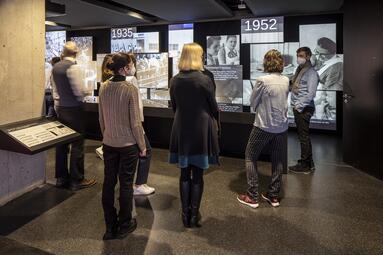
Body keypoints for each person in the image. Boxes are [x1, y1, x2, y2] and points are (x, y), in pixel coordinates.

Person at [169, 43, 220, 228]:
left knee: (184, 173)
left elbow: (174, 106)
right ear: (198, 57)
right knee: (197, 175)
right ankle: (193, 215)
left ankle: (184, 215)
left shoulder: (174, 80)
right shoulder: (204, 79)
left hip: (181, 127)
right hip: (201, 128)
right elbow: (213, 107)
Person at [98, 53, 146, 240]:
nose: (133, 67)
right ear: (125, 68)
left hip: (109, 143)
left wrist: (106, 136)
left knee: (109, 183)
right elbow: (135, 123)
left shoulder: (103, 87)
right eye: (131, 64)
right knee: (126, 185)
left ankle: (110, 227)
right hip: (128, 145)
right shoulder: (129, 89)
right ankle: (124, 224)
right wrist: (142, 145)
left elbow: (101, 118)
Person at [237, 49, 289, 208]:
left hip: (263, 125)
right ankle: (273, 196)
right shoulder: (286, 80)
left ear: (266, 62)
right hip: (281, 127)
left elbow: (253, 102)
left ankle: (252, 196)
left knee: (250, 156)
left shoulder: (262, 80)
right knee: (277, 159)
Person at [51, 41, 96, 190]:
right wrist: (88, 91)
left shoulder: (56, 67)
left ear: (63, 52)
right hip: (75, 110)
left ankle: (61, 178)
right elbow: (79, 91)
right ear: (75, 53)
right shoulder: (74, 67)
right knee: (77, 144)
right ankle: (77, 179)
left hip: (61, 109)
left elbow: (56, 90)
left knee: (62, 145)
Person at [126, 52, 156, 196]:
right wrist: (139, 123)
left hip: (123, 126)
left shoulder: (110, 82)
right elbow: (136, 105)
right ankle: (139, 184)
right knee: (146, 150)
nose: (133, 67)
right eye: (132, 64)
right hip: (135, 123)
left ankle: (129, 184)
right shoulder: (131, 80)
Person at [289, 47, 319, 174]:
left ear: (308, 56)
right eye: (297, 55)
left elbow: (311, 93)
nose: (298, 58)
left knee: (303, 137)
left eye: (301, 55)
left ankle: (305, 165)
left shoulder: (311, 72)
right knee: (304, 136)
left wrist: (299, 106)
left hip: (304, 108)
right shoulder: (299, 70)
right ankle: (308, 163)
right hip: (300, 107)